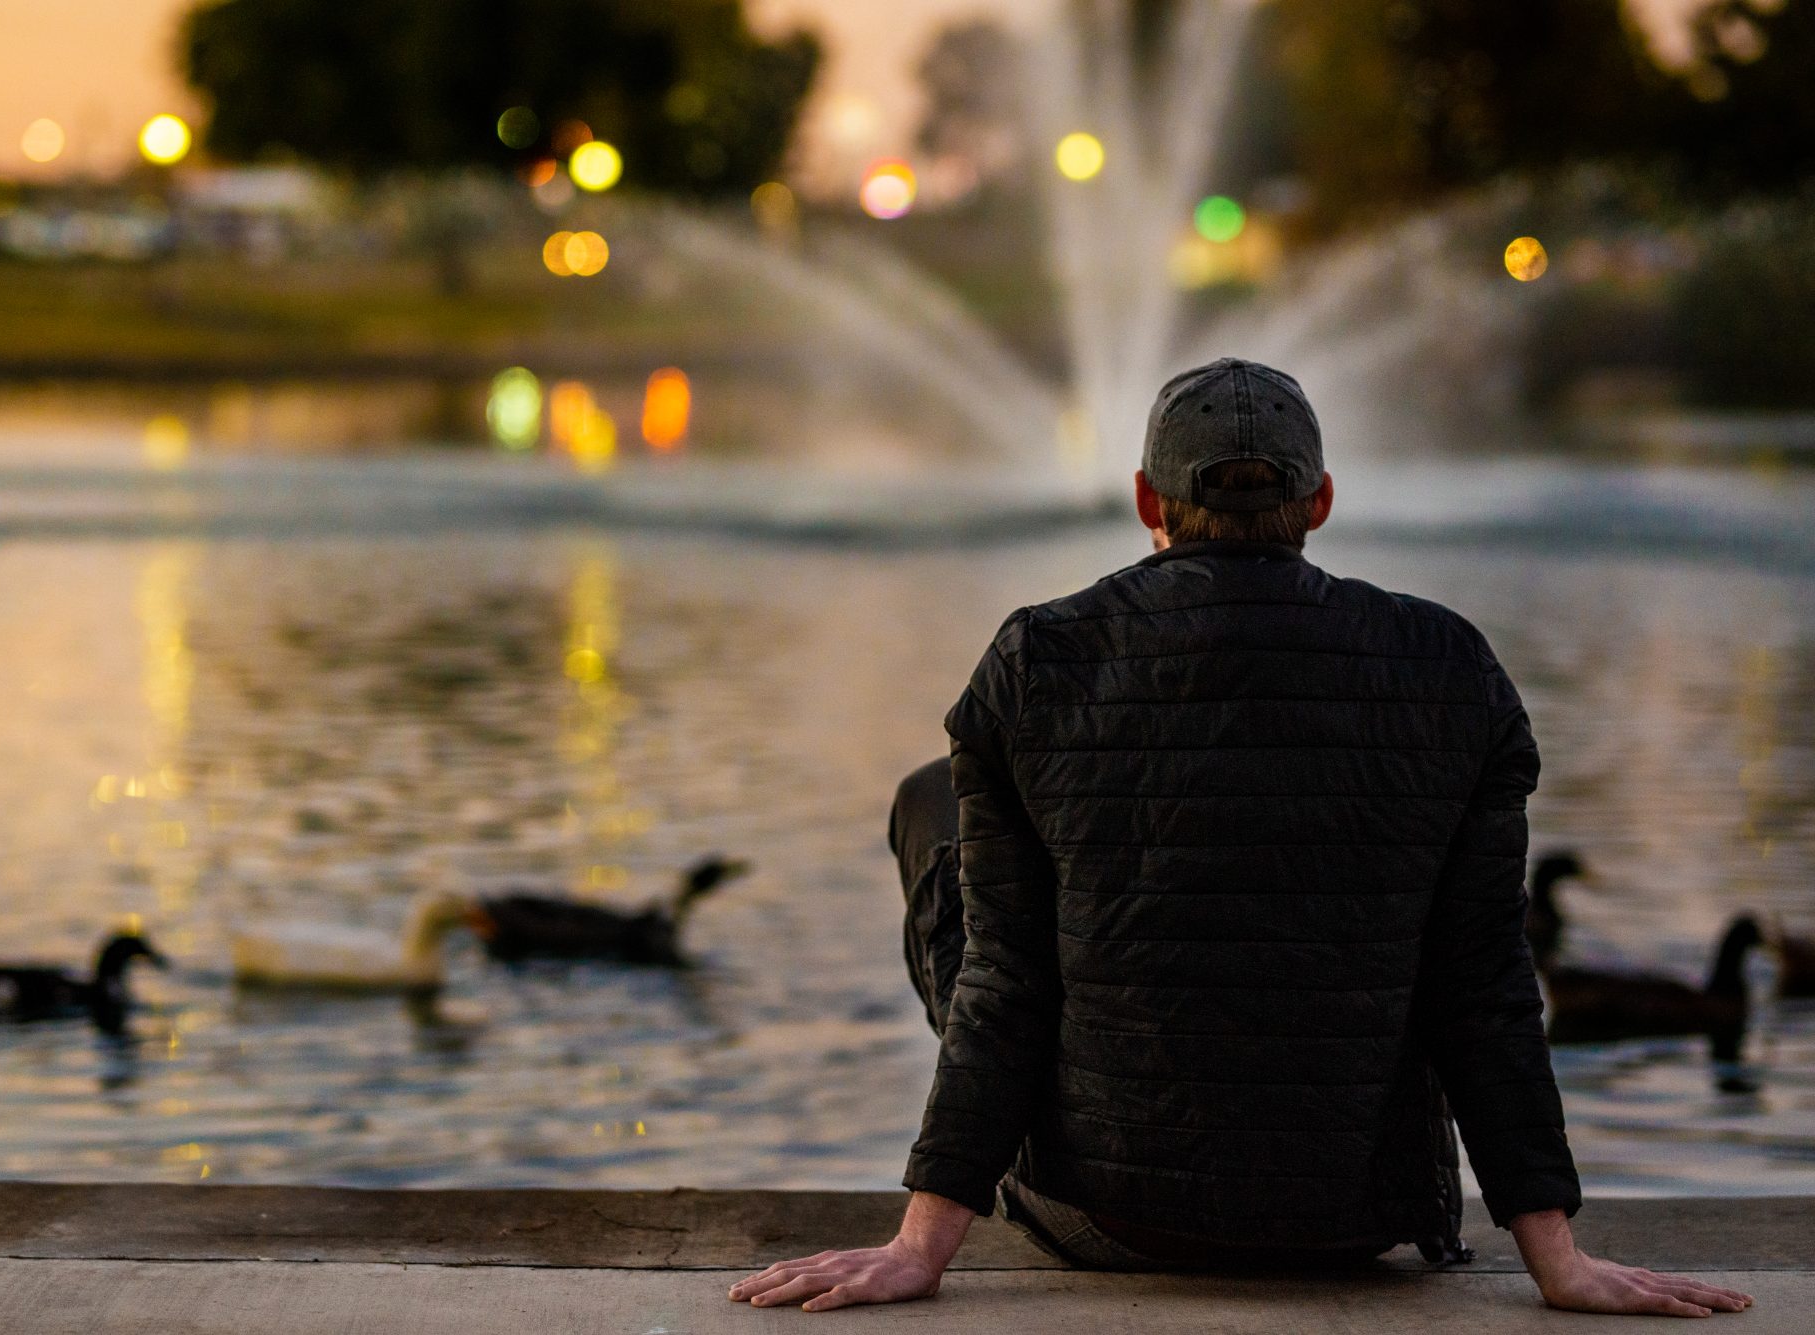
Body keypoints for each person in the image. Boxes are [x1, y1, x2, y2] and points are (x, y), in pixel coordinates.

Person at [728, 359, 1754, 1318]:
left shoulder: (1037, 656)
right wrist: (1555, 1258)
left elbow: (1005, 980)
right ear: (1317, 504)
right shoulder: (1451, 665)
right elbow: (1482, 980)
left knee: (930, 804)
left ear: (1146, 501)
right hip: (1355, 1223)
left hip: (1112, 1218)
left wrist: (917, 1247)